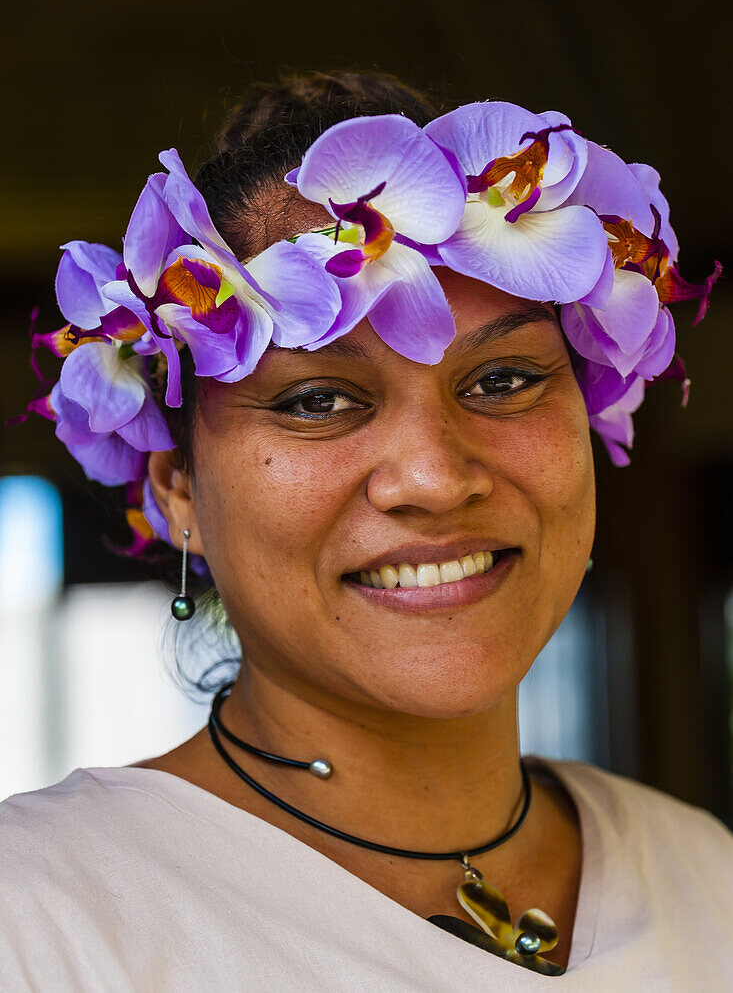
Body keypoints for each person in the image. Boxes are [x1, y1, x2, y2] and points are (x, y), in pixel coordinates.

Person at [1, 71, 729, 990]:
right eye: (317, 400)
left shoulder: (706, 881)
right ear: (178, 487)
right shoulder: (40, 924)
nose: (433, 479)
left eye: (502, 380)